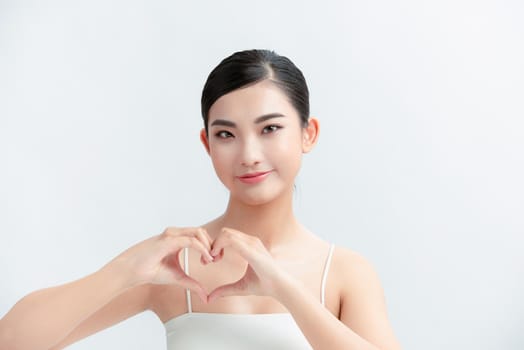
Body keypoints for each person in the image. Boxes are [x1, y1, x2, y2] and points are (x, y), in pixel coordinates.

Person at [0, 49, 402, 350]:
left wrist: (284, 288)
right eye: (226, 134)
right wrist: (123, 270)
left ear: (307, 133)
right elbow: (11, 339)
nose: (248, 154)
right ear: (206, 143)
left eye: (270, 129)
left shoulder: (346, 273)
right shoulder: (175, 268)